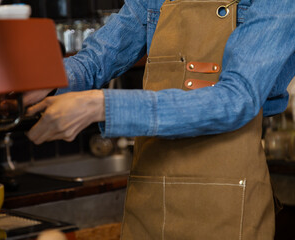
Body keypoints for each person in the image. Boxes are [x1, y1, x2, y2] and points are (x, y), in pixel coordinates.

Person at [22, 0, 295, 239]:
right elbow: (95, 61)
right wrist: (47, 79)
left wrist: (102, 106)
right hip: (148, 201)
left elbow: (236, 99)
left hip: (227, 208)